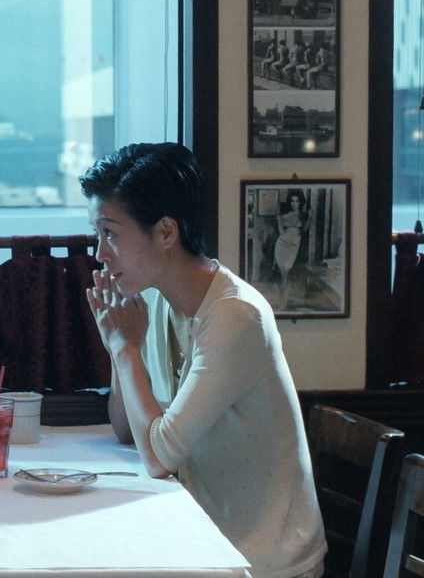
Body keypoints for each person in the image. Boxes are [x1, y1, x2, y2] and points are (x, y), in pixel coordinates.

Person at [79, 143, 327, 578]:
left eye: (110, 233)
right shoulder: (156, 298)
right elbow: (125, 429)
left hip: (265, 563)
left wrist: (124, 348)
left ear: (165, 233)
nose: (100, 252)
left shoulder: (236, 315)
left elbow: (158, 460)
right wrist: (119, 341)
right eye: (97, 235)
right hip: (203, 543)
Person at [273, 189, 312, 309]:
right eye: (292, 201)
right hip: (282, 244)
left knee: (289, 273)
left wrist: (310, 217)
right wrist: (279, 220)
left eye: (297, 201)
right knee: (283, 274)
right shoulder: (285, 216)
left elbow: (304, 230)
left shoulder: (303, 216)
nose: (294, 204)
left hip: (294, 246)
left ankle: (286, 300)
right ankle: (282, 301)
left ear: (300, 202)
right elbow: (281, 233)